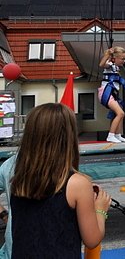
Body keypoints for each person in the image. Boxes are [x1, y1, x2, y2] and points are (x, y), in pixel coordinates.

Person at [9, 103, 112, 259]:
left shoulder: (20, 179)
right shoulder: (78, 183)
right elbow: (92, 239)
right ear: (69, 137)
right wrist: (100, 209)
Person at [98, 46, 125, 143]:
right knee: (120, 113)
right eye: (122, 59)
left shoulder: (116, 67)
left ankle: (118, 135)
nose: (124, 61)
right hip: (106, 93)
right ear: (115, 58)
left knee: (120, 113)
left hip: (112, 94)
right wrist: (108, 54)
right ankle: (111, 135)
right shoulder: (110, 65)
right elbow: (101, 64)